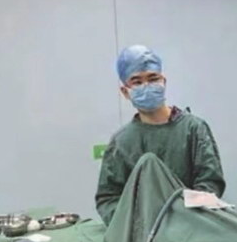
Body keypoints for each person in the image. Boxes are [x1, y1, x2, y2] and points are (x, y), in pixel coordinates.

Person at [96, 45, 225, 225]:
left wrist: (183, 217)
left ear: (163, 81)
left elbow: (210, 183)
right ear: (125, 91)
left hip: (191, 228)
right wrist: (138, 225)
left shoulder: (194, 129)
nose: (146, 86)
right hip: (143, 234)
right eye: (137, 82)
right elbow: (109, 199)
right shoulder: (121, 142)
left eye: (153, 78)